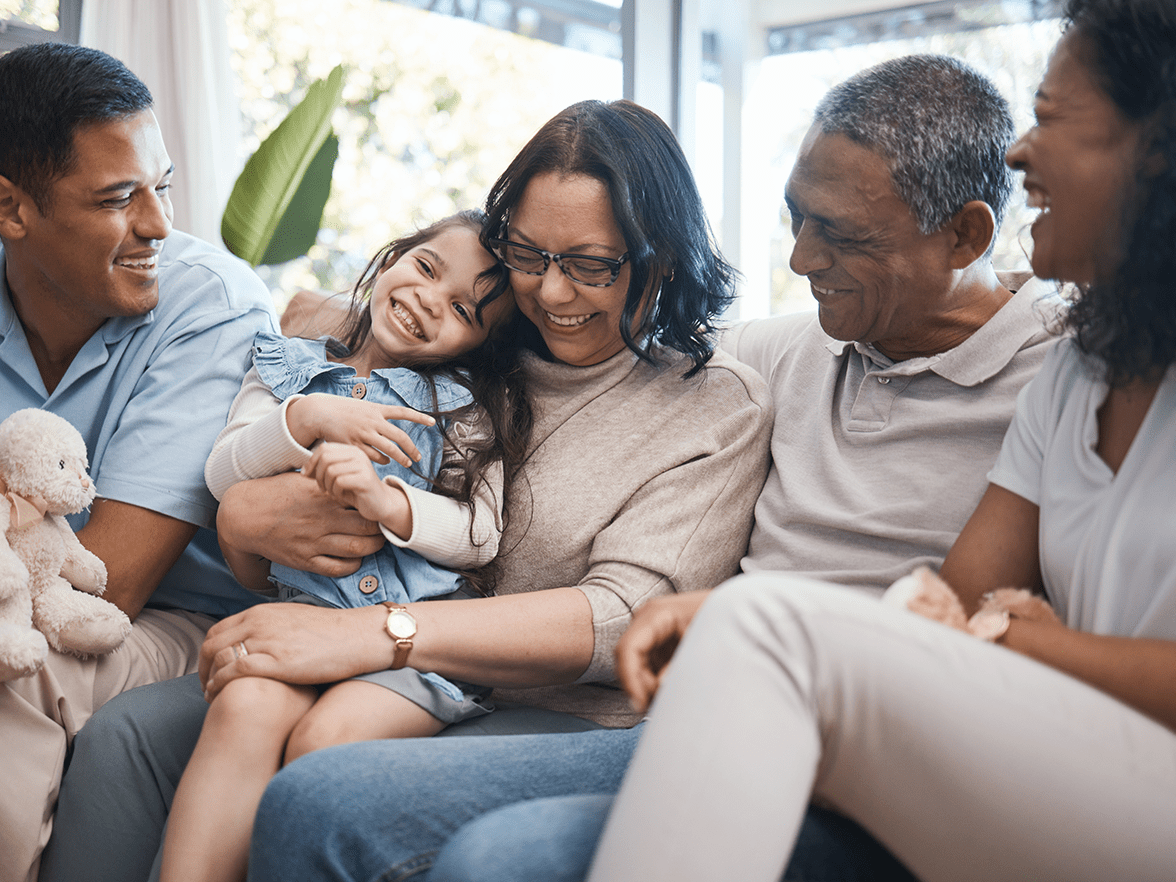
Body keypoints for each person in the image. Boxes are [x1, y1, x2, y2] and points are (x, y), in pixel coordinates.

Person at [239, 56, 1064, 882]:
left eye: (841, 234)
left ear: (966, 235)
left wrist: (379, 634)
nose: (802, 258)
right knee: (256, 771)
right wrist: (335, 322)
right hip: (726, 704)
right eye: (796, 218)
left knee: (460, 843)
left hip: (841, 733)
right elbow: (630, 350)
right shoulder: (806, 341)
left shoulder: (1064, 375)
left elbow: (638, 553)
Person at [37, 99, 773, 882]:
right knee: (125, 737)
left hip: (557, 710)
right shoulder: (471, 352)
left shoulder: (713, 404)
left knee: (329, 776)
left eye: (591, 265)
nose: (552, 294)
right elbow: (315, 435)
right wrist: (246, 525)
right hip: (360, 643)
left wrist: (381, 634)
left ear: (661, 257)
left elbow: (627, 617)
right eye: (527, 255)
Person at [577, 2, 1176, 880]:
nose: (1021, 152)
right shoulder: (1085, 367)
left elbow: (971, 630)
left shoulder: (1043, 351)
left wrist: (1023, 640)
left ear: (1158, 155)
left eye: (1053, 118)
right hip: (1077, 756)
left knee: (767, 628)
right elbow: (948, 609)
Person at [159, 211, 522, 882]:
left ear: (480, 343)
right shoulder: (286, 369)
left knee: (326, 742)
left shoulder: (465, 407)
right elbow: (220, 475)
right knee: (243, 706)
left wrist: (390, 503)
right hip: (305, 625)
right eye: (426, 268)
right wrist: (302, 419)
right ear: (391, 260)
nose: (426, 301)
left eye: (463, 309)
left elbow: (482, 533)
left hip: (411, 654)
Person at [0, 43, 278, 882]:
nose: (158, 225)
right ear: (11, 210)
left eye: (161, 186)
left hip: (168, 618)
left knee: (17, 671)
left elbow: (108, 582)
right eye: (121, 199)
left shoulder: (211, 308)